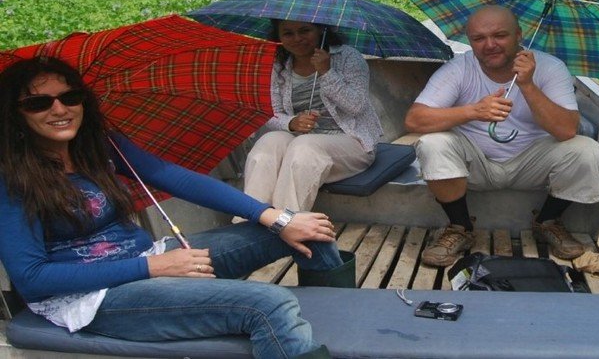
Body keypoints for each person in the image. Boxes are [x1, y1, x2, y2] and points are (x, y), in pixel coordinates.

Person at [0, 56, 347, 359]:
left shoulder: (101, 146)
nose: (59, 110)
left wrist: (274, 216)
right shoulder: (12, 179)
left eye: (69, 97)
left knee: (309, 230)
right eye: (38, 103)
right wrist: (153, 267)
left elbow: (177, 178)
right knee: (268, 304)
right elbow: (32, 280)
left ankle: (350, 334)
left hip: (154, 259)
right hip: (95, 299)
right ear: (15, 115)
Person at [404, 5, 599, 267]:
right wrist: (473, 111)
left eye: (499, 35)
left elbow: (566, 130)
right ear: (470, 41)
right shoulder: (460, 68)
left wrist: (528, 85)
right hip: (474, 164)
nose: (489, 45)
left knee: (586, 150)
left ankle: (547, 221)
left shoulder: (550, 68)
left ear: (519, 35)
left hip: (532, 164)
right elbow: (414, 119)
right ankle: (460, 227)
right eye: (478, 39)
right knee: (433, 143)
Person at [242, 20, 382, 213]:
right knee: (269, 141)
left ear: (321, 30)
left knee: (305, 147)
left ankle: (285, 224)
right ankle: (250, 218)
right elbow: (270, 112)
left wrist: (326, 72)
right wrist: (291, 122)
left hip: (351, 141)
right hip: (300, 139)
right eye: (288, 33)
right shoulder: (277, 64)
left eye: (305, 30)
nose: (297, 39)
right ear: (279, 37)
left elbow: (356, 106)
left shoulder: (348, 57)